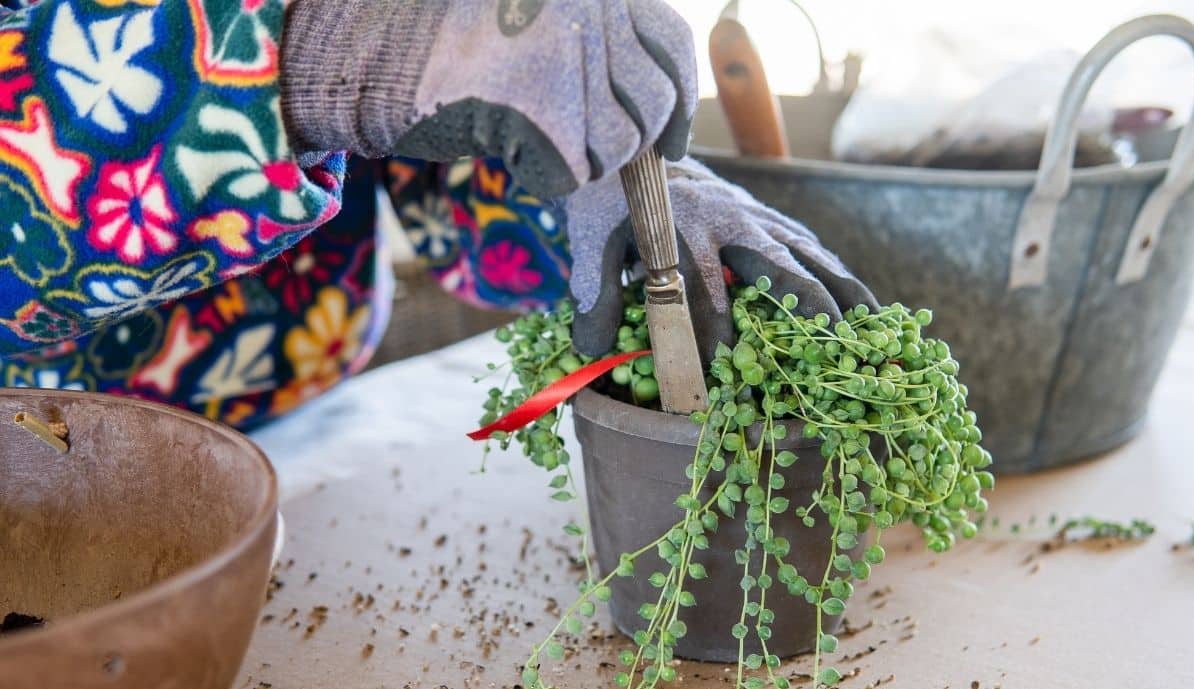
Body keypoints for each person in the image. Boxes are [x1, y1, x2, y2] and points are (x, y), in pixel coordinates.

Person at [0, 0, 875, 430]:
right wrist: (315, 60)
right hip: (38, 467)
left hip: (301, 429)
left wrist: (598, 176)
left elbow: (441, 172)